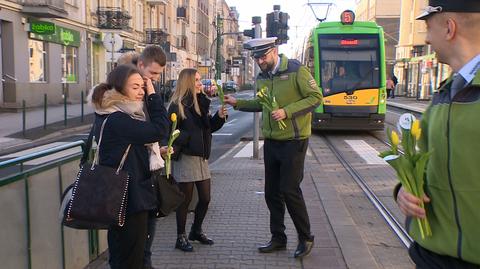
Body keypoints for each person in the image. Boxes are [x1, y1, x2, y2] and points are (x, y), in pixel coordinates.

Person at [395, 0, 480, 267]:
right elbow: (431, 165)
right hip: (432, 255)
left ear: (449, 28)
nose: (427, 39)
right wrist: (404, 191)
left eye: (428, 28)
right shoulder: (448, 91)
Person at [224, 37, 322, 258]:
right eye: (256, 58)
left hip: (294, 141)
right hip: (272, 141)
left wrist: (287, 111)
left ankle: (305, 237)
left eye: (263, 56)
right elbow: (261, 103)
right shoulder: (262, 77)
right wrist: (237, 103)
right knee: (271, 193)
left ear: (274, 51)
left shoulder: (297, 70)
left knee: (290, 190)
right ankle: (278, 238)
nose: (259, 61)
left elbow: (316, 98)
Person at [88, 64, 169, 269]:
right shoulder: (118, 119)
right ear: (119, 89)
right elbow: (160, 129)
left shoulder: (109, 114)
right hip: (130, 200)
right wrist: (153, 96)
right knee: (131, 260)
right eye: (135, 87)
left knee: (124, 257)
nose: (141, 91)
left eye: (143, 87)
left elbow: (122, 151)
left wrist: (154, 153)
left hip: (121, 197)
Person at [119, 45, 169, 269]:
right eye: (153, 74)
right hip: (131, 186)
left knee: (145, 244)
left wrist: (157, 149)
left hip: (144, 178)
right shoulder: (125, 106)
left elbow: (149, 134)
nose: (154, 80)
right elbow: (159, 128)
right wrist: (152, 95)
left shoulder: (139, 97)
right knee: (133, 251)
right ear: (140, 66)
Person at [168, 68, 227, 252]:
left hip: (201, 158)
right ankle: (180, 237)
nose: (201, 83)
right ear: (188, 82)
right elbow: (169, 133)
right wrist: (188, 138)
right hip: (186, 157)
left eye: (201, 80)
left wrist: (219, 117)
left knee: (205, 198)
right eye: (197, 80)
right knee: (184, 201)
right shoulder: (177, 105)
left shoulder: (201, 103)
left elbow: (208, 129)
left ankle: (196, 230)